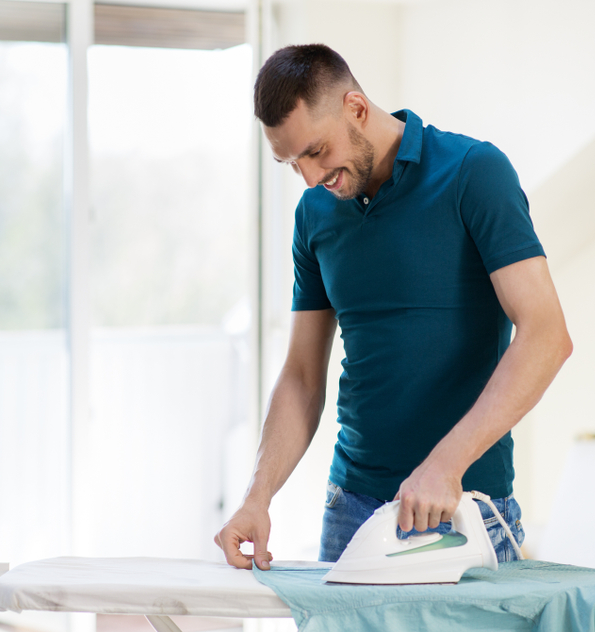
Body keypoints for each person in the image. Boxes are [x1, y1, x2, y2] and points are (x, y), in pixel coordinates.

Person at [215, 44, 572, 570]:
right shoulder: (315, 213)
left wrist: (445, 465)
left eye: (316, 151)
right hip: (352, 509)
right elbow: (301, 376)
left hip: (464, 507)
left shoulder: (475, 173)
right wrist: (256, 496)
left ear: (356, 108)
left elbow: (546, 335)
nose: (312, 178)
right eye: (292, 164)